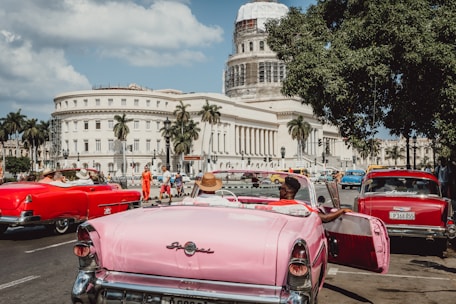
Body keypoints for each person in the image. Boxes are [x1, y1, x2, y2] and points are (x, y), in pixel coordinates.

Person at [268, 176, 351, 223]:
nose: (279, 191)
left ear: (285, 191)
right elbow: (325, 218)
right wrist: (341, 211)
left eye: (280, 188)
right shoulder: (303, 208)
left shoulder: (269, 207)